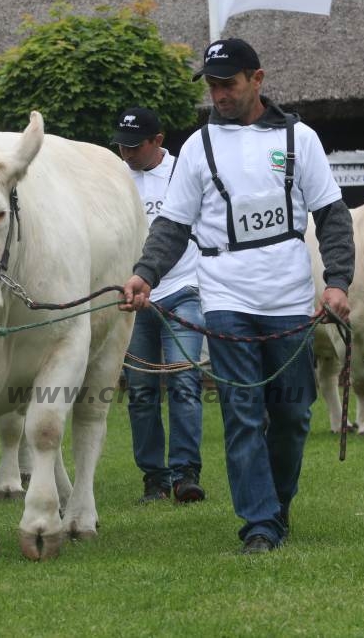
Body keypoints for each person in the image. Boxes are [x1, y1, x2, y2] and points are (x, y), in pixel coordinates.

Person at [120, 38, 355, 553]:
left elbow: (332, 217)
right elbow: (173, 226)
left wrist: (337, 281)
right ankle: (259, 525)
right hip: (225, 296)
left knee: (292, 414)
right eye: (212, 84)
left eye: (228, 83)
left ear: (258, 79)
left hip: (290, 298)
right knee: (243, 411)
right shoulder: (199, 148)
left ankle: (277, 503)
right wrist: (145, 274)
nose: (219, 93)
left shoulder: (301, 139)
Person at [112, 106, 207, 504]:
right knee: (141, 391)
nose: (127, 154)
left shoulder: (183, 173)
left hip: (183, 290)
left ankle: (186, 474)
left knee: (184, 382)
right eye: (122, 145)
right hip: (134, 298)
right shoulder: (115, 179)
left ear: (158, 141)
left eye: (135, 146)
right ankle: (155, 477)